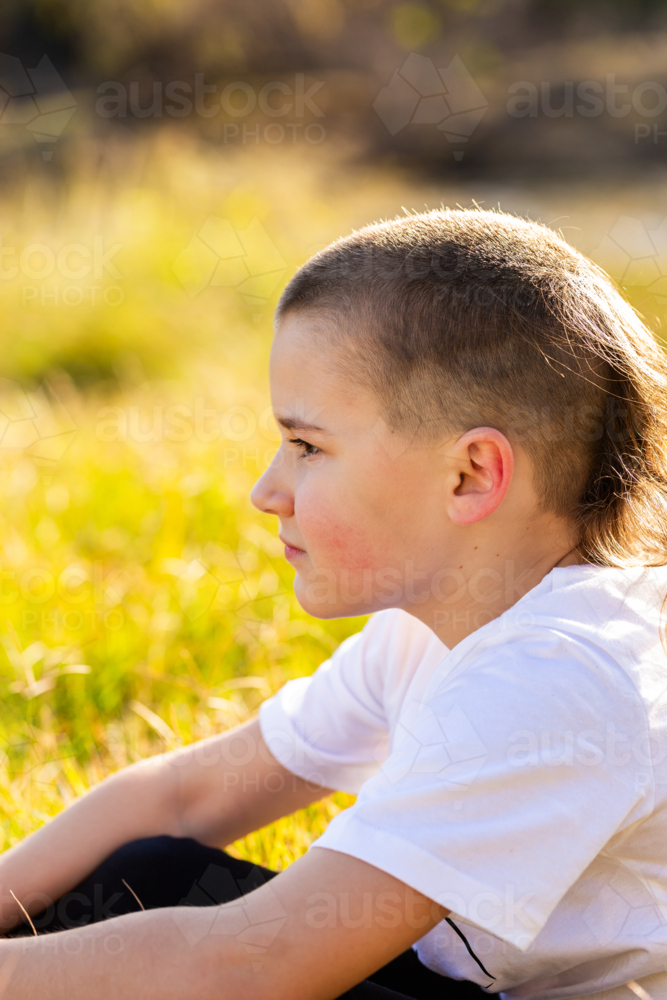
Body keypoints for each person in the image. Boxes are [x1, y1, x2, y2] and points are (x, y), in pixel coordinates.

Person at [1, 208, 667, 1000]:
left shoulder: (559, 674)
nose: (265, 491)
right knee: (150, 870)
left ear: (470, 475)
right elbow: (183, 796)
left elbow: (251, 967)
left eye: (308, 447)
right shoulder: (434, 629)